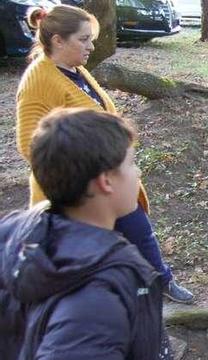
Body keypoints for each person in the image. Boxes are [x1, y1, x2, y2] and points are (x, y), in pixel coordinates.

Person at [1, 108, 173, 360]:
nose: (138, 174)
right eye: (132, 164)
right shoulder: (100, 278)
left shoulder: (20, 236)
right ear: (105, 181)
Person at [16, 5, 194, 304]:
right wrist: (87, 172)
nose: (91, 46)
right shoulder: (39, 78)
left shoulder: (76, 70)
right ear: (58, 40)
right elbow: (29, 144)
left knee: (138, 231)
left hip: (111, 182)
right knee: (100, 253)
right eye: (84, 39)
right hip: (78, 193)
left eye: (91, 39)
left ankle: (158, 281)